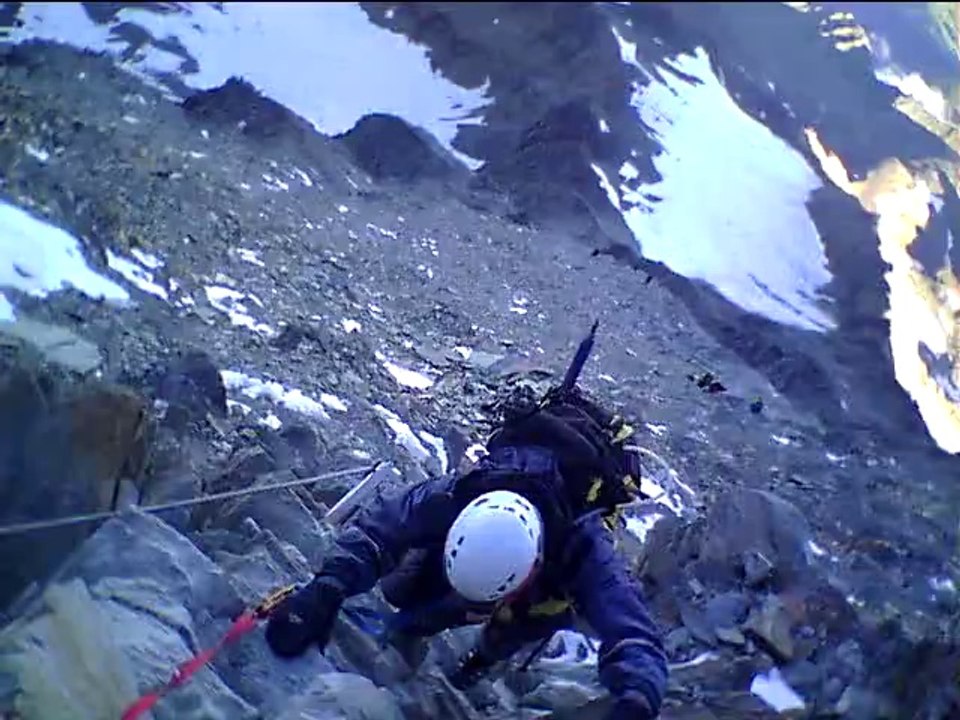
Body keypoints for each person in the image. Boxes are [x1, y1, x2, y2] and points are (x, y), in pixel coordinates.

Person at [265, 385, 668, 720]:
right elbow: (382, 528)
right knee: (405, 593)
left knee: (521, 623)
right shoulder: (465, 490)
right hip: (486, 550)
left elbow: (633, 631)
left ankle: (479, 663)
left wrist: (636, 698)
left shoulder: (584, 548)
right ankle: (413, 631)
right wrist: (328, 587)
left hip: (544, 588)